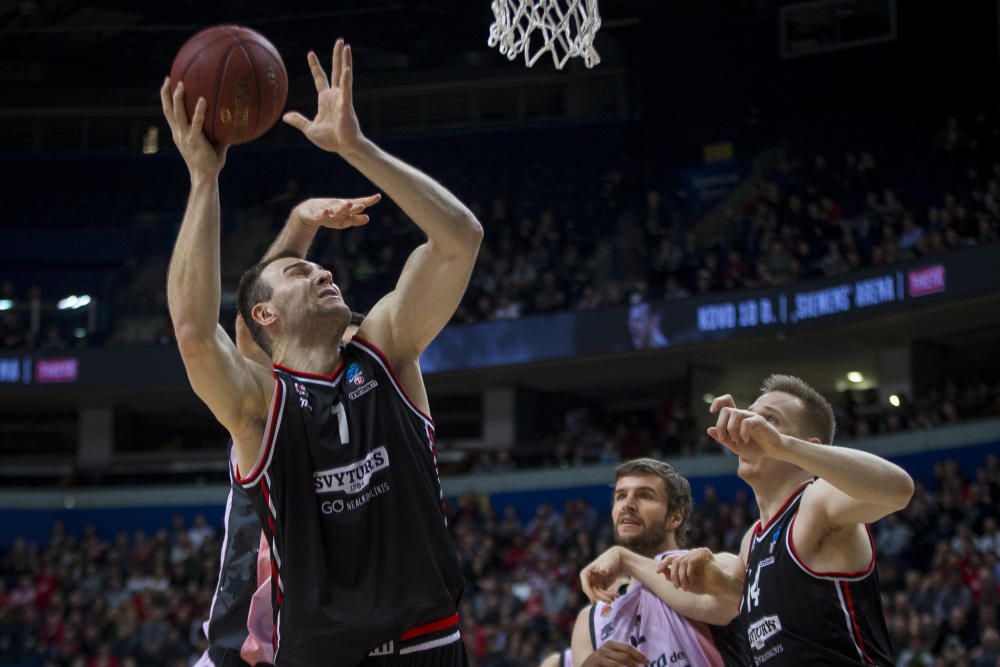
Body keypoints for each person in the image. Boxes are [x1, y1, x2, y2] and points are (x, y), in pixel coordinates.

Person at [161, 36, 482, 666]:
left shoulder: (386, 353)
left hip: (428, 641)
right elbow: (196, 333)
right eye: (300, 274)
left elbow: (459, 240)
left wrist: (356, 148)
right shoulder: (260, 407)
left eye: (320, 270)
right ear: (264, 316)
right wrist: (204, 178)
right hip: (319, 654)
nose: (321, 272)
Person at [659, 374, 914, 666]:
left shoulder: (815, 503)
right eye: (750, 416)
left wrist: (782, 446)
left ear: (810, 445)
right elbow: (782, 612)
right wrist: (723, 586)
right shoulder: (752, 539)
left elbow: (899, 490)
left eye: (770, 420)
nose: (750, 428)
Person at [573, 459, 744, 667]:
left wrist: (624, 557)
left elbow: (720, 608)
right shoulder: (591, 619)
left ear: (675, 517)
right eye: (620, 496)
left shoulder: (717, 564)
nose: (627, 504)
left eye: (644, 495)